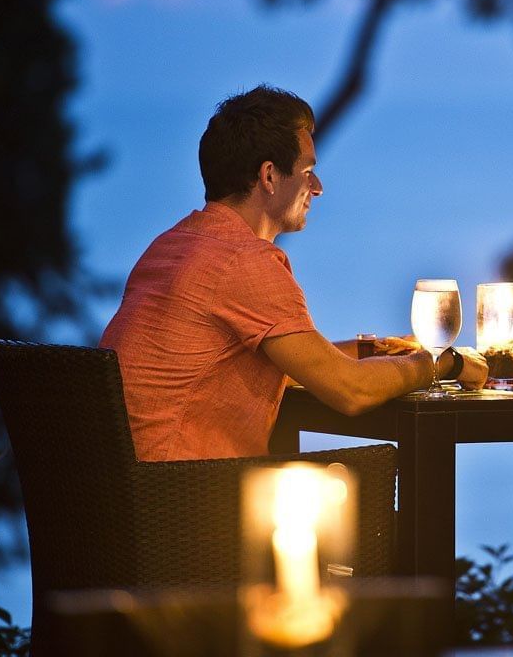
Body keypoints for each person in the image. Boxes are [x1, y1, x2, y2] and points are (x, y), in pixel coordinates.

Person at [100, 84, 487, 461]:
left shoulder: (173, 246)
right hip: (182, 497)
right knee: (361, 484)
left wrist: (383, 350)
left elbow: (294, 365)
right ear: (269, 177)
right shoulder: (242, 261)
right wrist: (442, 363)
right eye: (307, 172)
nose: (317, 187)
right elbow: (348, 390)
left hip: (117, 497)